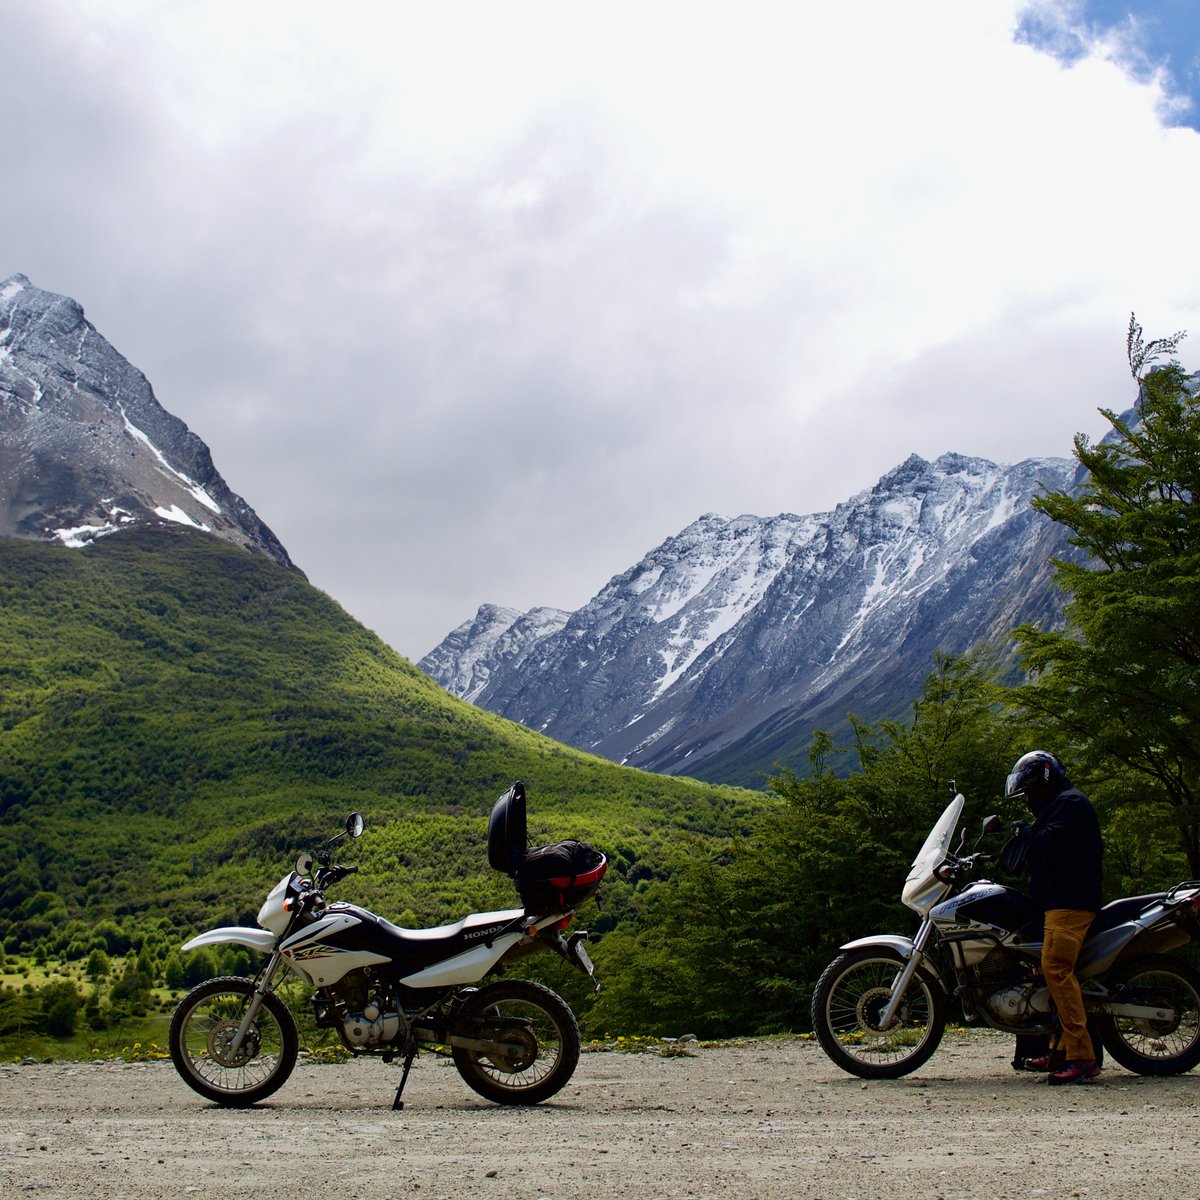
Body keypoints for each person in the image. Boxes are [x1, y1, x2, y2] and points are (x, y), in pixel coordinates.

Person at [1005, 750, 1104, 1085]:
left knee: (1056, 968)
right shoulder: (1058, 804)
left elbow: (1051, 844)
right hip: (1055, 901)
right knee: (1038, 968)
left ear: (1045, 779)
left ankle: (1082, 1057)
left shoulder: (1071, 803)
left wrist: (1025, 833)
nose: (1028, 796)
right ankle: (1058, 1049)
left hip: (1071, 903)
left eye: (1030, 788)